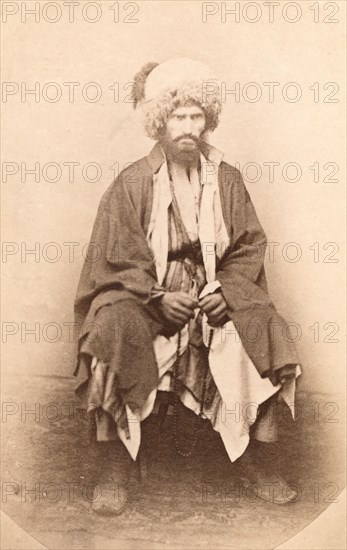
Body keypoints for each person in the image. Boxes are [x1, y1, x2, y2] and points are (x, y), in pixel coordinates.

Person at [74, 58, 301, 515]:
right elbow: (113, 257)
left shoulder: (228, 178)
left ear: (208, 120)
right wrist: (155, 298)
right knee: (112, 326)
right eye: (178, 116)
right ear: (160, 120)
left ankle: (254, 459)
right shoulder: (133, 182)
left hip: (214, 292)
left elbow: (248, 246)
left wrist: (228, 294)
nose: (188, 127)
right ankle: (116, 463)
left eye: (197, 116)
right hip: (149, 293)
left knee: (263, 326)